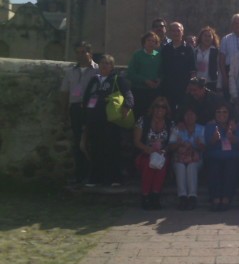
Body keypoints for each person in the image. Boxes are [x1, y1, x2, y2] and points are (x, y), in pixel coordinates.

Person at [82, 55, 133, 187]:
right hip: (95, 119)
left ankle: (115, 178)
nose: (104, 65)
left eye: (108, 63)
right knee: (96, 148)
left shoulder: (117, 79)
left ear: (112, 66)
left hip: (111, 120)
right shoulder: (94, 80)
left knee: (113, 148)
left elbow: (128, 94)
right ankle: (95, 178)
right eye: (102, 63)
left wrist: (127, 106)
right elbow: (87, 97)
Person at [60, 41, 98, 184]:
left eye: (83, 52)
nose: (80, 55)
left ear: (90, 53)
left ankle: (92, 173)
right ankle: (79, 174)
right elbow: (64, 92)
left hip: (92, 109)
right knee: (78, 141)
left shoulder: (98, 70)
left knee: (91, 141)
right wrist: (63, 112)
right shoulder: (70, 71)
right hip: (75, 108)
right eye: (78, 52)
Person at [133, 96, 173, 210]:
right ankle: (145, 195)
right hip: (145, 153)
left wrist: (165, 150)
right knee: (149, 165)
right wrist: (148, 150)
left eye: (163, 107)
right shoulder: (143, 120)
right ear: (153, 107)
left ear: (166, 110)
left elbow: (173, 143)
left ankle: (155, 196)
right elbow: (136, 141)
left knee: (161, 166)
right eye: (157, 106)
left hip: (162, 155)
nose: (160, 109)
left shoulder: (170, 123)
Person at [203, 103, 239, 211]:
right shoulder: (210, 126)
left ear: (229, 114)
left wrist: (232, 135)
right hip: (214, 156)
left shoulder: (236, 125)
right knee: (214, 167)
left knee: (231, 168)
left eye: (225, 112)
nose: (222, 114)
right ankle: (215, 199)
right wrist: (214, 139)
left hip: (231, 156)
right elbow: (207, 145)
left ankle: (226, 199)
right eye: (218, 112)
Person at [169, 106, 205, 210]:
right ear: (184, 117)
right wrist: (178, 144)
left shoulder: (201, 129)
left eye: (192, 115)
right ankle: (182, 197)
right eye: (187, 115)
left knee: (191, 166)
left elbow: (204, 148)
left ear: (196, 117)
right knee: (180, 167)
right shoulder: (177, 129)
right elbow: (170, 147)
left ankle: (192, 197)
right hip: (179, 158)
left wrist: (198, 145)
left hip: (195, 158)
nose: (190, 117)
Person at [160, 22, 196, 111]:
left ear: (182, 32)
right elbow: (162, 68)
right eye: (173, 31)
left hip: (184, 88)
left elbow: (193, 70)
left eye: (178, 31)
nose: (176, 33)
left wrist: (190, 86)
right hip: (168, 88)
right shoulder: (165, 49)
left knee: (183, 112)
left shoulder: (188, 49)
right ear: (170, 33)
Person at [127, 31, 162, 119]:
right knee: (139, 116)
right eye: (149, 40)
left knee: (151, 116)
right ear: (144, 42)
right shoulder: (137, 55)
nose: (151, 43)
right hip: (139, 91)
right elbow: (130, 73)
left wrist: (159, 79)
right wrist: (145, 81)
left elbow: (162, 71)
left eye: (153, 41)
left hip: (153, 92)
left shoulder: (158, 55)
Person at [219, 13, 239, 98]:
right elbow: (222, 59)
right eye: (235, 23)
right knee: (229, 98)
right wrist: (224, 76)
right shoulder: (226, 39)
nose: (238, 25)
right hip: (229, 70)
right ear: (232, 25)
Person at [194, 26, 220, 91]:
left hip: (211, 83)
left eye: (209, 36)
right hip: (197, 83)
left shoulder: (216, 51)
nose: (207, 38)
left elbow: (220, 69)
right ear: (201, 37)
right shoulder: (195, 51)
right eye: (205, 36)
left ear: (213, 38)